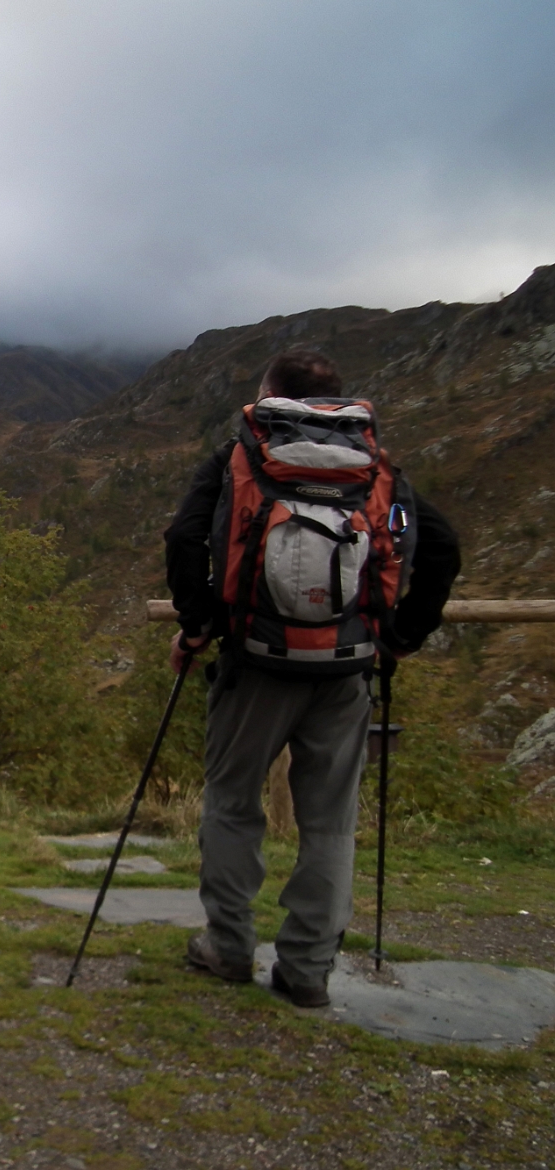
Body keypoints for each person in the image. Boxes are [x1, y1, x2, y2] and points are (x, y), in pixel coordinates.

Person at [164, 348, 459, 1007]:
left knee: (233, 804)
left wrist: (197, 626)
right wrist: (401, 636)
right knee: (329, 822)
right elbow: (439, 547)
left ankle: (228, 947)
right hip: (347, 668)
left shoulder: (243, 457)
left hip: (254, 663)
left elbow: (184, 538)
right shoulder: (375, 469)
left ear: (271, 394)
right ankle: (306, 971)